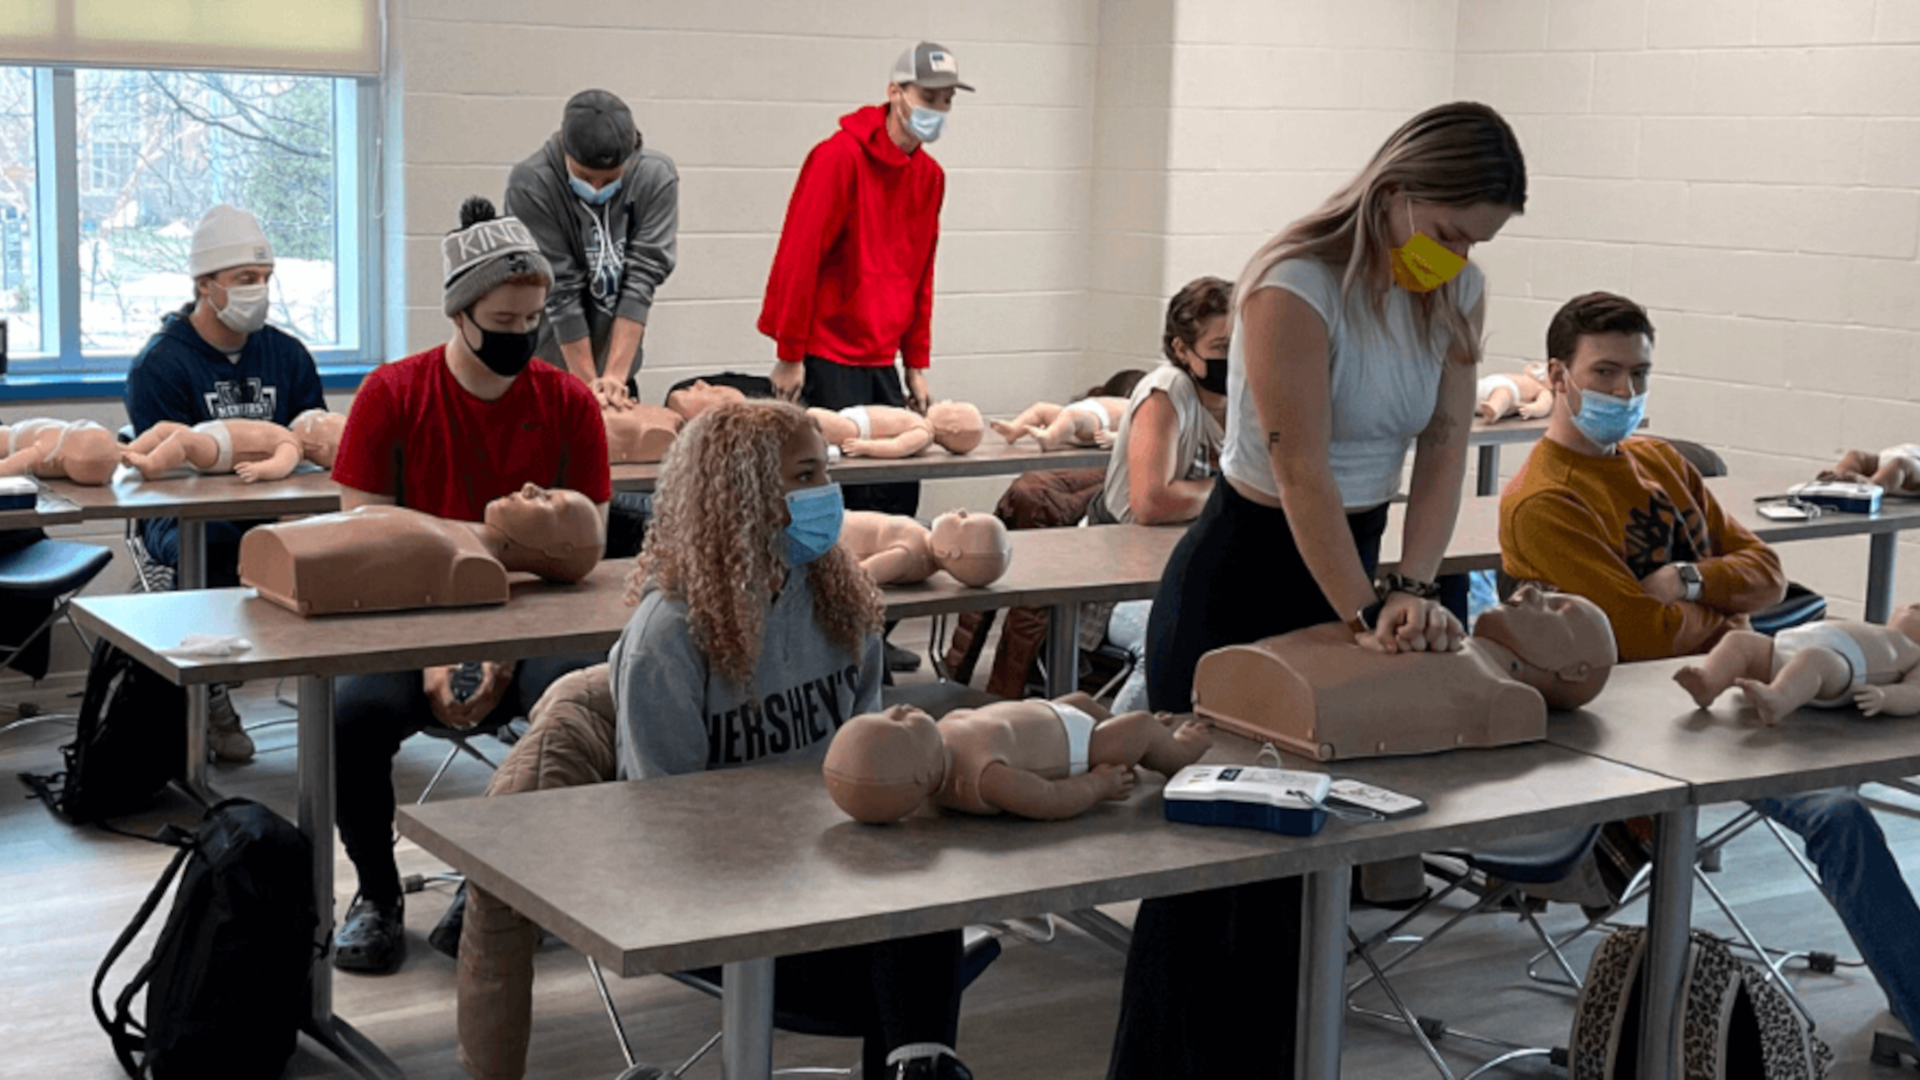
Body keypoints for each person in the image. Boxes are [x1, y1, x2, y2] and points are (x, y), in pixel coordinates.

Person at [1109, 102, 1527, 1080]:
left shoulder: (1453, 290)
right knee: (1208, 875)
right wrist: (1368, 608)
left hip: (1358, 563)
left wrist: (1416, 584)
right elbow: (1299, 470)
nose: (1459, 256)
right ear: (1393, 194)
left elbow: (1444, 445)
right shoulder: (1293, 283)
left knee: (1304, 874)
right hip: (1248, 575)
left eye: (1477, 242)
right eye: (1450, 232)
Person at [1500, 289, 1920, 1040]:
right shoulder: (1545, 500)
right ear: (1557, 377)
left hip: (1736, 688)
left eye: (1640, 374)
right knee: (1841, 813)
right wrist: (1724, 616)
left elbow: (1767, 571)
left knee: (1862, 739)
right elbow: (1633, 638)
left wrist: (1693, 582)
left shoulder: (1660, 459)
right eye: (1605, 374)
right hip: (1642, 715)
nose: (1625, 392)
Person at [610, 400, 971, 1080]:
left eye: (825, 472)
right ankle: (917, 1063)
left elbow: (871, 758)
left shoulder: (840, 597)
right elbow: (660, 822)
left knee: (918, 900)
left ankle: (916, 1066)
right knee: (902, 967)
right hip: (724, 897)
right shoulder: (668, 638)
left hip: (835, 869)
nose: (826, 494)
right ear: (746, 495)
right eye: (807, 475)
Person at [325, 196, 612, 974]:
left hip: (537, 619)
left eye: (534, 320)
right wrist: (438, 648)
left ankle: (496, 886)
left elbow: (586, 546)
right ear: (459, 313)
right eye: (504, 321)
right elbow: (368, 542)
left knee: (576, 708)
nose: (523, 336)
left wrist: (507, 651)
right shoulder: (392, 397)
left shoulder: (569, 404)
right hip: (405, 617)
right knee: (352, 717)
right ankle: (377, 894)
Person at [124, 203, 328, 762]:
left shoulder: (286, 355)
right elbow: (164, 477)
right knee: (219, 544)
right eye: (243, 281)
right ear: (205, 285)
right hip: (184, 522)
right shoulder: (160, 365)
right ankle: (209, 694)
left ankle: (337, 693)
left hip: (277, 504)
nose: (257, 292)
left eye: (264, 280)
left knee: (341, 543)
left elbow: (315, 443)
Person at [758, 41, 971, 517]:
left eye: (947, 101)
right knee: (842, 497)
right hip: (829, 352)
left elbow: (922, 272)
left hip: (882, 358)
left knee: (900, 493)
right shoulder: (838, 158)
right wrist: (790, 354)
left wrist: (915, 362)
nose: (937, 110)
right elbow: (799, 256)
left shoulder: (930, 176)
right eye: (928, 97)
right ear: (894, 92)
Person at [1092, 278, 1231, 713]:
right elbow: (1152, 503)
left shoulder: (1252, 394)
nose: (1237, 359)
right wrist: (1230, 493)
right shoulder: (1167, 390)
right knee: (1171, 639)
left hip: (1198, 568)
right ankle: (1116, 754)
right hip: (1119, 581)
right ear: (1182, 349)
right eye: (1223, 347)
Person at [504, 89, 679, 409]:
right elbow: (559, 290)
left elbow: (642, 278)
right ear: (564, 151)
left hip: (617, 374)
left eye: (610, 179)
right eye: (585, 177)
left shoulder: (655, 177)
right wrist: (587, 389)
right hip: (544, 374)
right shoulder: (531, 184)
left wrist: (614, 380)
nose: (596, 188)